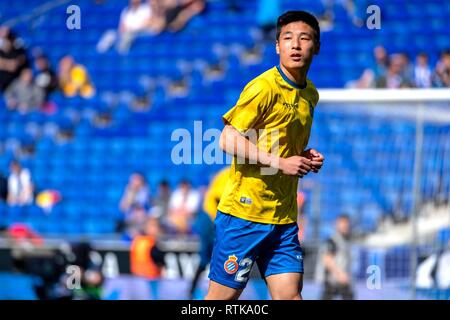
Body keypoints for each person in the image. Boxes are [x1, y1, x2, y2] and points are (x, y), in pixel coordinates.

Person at [205, 11, 324, 300]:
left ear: (316, 47)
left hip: (283, 219)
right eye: (287, 38)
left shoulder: (310, 94)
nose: (295, 45)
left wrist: (304, 155)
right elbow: (227, 138)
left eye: (304, 38)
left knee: (290, 297)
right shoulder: (263, 87)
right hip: (245, 216)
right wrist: (282, 163)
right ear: (277, 47)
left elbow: (281, 143)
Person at [189, 167, 230, 299]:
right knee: (211, 258)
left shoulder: (226, 173)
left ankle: (194, 290)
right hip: (212, 220)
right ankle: (195, 290)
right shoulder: (228, 174)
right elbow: (217, 198)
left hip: (213, 219)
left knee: (210, 259)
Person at [320, 214, 354, 300]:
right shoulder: (332, 241)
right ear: (337, 225)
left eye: (346, 223)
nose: (345, 226)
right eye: (342, 223)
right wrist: (340, 274)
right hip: (332, 281)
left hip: (343, 281)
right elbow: (327, 260)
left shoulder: (347, 240)